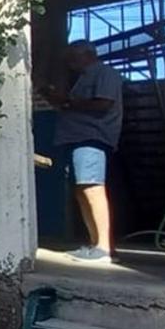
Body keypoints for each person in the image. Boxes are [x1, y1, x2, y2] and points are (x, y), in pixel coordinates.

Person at [42, 40, 123, 265]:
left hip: (91, 138)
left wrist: (69, 103)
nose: (70, 63)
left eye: (72, 58)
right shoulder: (84, 77)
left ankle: (104, 247)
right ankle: (96, 243)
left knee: (92, 187)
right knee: (82, 190)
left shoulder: (104, 73)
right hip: (77, 139)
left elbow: (103, 104)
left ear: (86, 54)